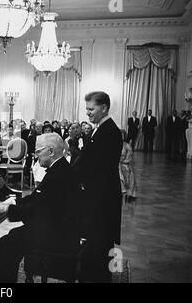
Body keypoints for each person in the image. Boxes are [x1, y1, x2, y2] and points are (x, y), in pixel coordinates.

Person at [0, 133, 81, 283]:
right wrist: (10, 203)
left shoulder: (59, 175)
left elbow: (39, 210)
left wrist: (7, 209)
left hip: (58, 234)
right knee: (10, 238)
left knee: (9, 241)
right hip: (57, 227)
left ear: (51, 151)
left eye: (38, 151)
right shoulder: (60, 168)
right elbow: (37, 198)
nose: (35, 155)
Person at [72, 91, 122, 283]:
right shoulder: (100, 128)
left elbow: (96, 167)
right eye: (87, 109)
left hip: (102, 198)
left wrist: (74, 180)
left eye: (91, 109)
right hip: (99, 195)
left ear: (104, 108)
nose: (88, 113)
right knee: (97, 242)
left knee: (101, 242)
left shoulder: (109, 131)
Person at [119, 130, 137, 202]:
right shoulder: (113, 144)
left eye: (122, 135)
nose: (121, 137)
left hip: (124, 165)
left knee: (126, 174)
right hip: (116, 165)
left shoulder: (127, 146)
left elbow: (128, 158)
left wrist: (121, 162)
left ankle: (127, 194)